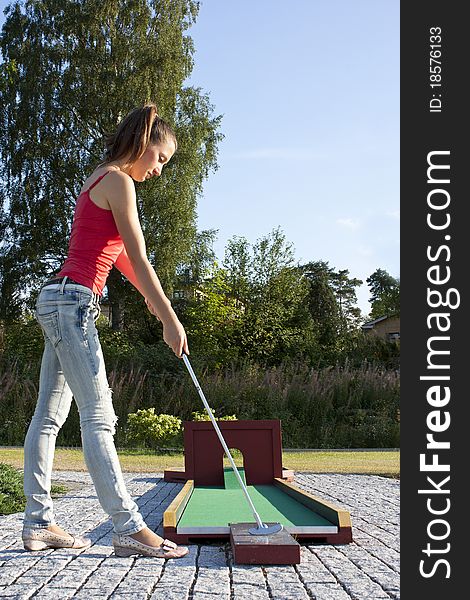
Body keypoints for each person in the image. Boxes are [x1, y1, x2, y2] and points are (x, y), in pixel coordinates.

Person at [22, 103, 189, 559]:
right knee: (99, 418)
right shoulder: (119, 181)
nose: (158, 170)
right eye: (161, 158)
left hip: (59, 298)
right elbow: (140, 253)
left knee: (49, 417)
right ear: (144, 143)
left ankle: (38, 524)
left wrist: (157, 311)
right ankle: (128, 528)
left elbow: (119, 259)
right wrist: (171, 316)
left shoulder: (99, 177)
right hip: (72, 302)